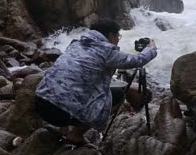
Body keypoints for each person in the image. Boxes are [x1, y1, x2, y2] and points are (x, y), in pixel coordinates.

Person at [35, 18, 157, 148]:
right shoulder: (107, 51)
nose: (118, 39)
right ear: (111, 35)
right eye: (118, 36)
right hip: (60, 113)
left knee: (73, 88)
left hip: (40, 103)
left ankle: (63, 129)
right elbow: (138, 60)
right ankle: (76, 135)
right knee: (117, 96)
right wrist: (151, 48)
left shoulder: (75, 44)